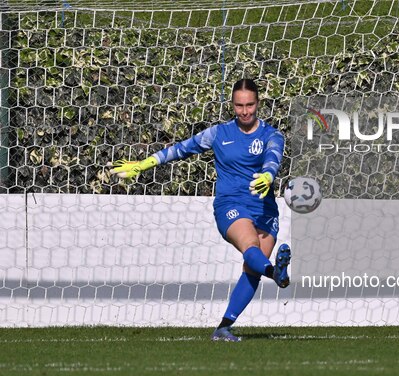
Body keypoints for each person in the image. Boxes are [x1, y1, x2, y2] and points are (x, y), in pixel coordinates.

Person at [109, 79, 291, 342]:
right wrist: (143, 164)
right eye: (239, 106)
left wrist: (268, 175)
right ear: (232, 105)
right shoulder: (219, 134)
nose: (244, 111)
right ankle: (277, 274)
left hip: (264, 207)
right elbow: (181, 149)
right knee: (249, 243)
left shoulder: (272, 135)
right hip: (231, 204)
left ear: (258, 103)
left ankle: (224, 327)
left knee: (252, 270)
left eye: (249, 105)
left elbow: (274, 156)